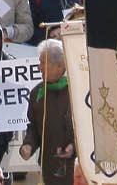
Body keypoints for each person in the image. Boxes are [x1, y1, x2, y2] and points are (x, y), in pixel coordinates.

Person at [20, 40, 76, 185]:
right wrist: (29, 145)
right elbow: (34, 126)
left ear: (59, 66)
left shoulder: (77, 90)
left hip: (76, 169)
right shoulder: (37, 93)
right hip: (49, 167)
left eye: (43, 63)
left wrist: (73, 147)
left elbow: (89, 128)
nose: (39, 68)